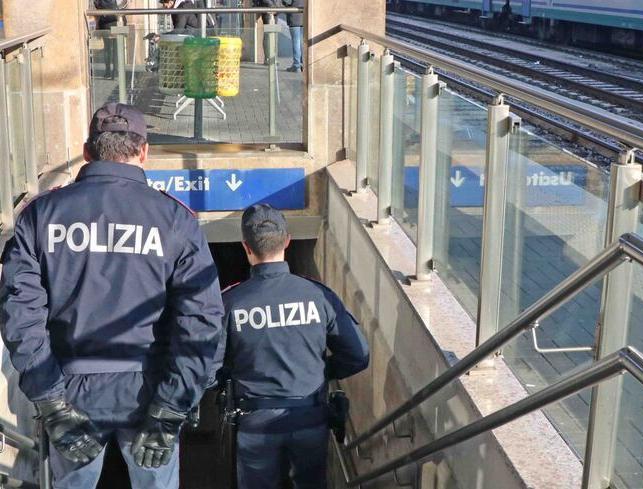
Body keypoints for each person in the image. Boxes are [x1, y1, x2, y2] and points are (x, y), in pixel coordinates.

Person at [0, 103, 224, 489]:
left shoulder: (42, 215)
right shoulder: (175, 219)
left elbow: (20, 315)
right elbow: (202, 321)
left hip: (67, 385)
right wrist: (174, 403)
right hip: (151, 387)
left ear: (88, 152)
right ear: (144, 152)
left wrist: (49, 400)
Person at [216, 204, 369, 489]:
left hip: (255, 425)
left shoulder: (231, 302)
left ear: (245, 247)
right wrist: (321, 371)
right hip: (310, 419)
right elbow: (358, 355)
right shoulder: (318, 295)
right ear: (288, 241)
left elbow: (209, 367)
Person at [94, 0, 121, 79]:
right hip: (114, 23)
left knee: (107, 49)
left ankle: (108, 72)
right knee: (115, 49)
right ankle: (115, 71)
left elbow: (96, 4)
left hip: (105, 24)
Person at [284, 0, 304, 72]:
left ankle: (296, 65)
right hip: (303, 17)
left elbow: (288, 1)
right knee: (300, 42)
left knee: (296, 42)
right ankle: (301, 64)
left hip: (294, 17)